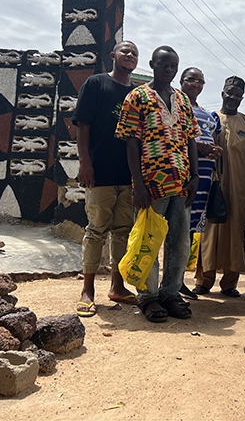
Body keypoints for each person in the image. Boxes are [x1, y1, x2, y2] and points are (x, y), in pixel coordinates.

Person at [115, 45, 200, 323]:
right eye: (164, 64)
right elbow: (131, 142)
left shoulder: (182, 100)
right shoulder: (137, 97)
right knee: (148, 240)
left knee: (180, 242)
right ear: (152, 65)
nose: (169, 70)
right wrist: (138, 185)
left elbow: (191, 138)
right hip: (151, 183)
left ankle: (171, 293)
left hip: (181, 182)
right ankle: (148, 296)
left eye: (174, 65)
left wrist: (195, 176)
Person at [72, 41, 140, 317]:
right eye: (125, 51)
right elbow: (83, 126)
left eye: (134, 53)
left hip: (128, 174)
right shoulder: (96, 84)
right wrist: (85, 162)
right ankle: (87, 290)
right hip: (99, 171)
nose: (130, 55)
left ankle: (117, 286)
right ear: (113, 56)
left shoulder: (137, 93)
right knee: (96, 230)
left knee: (123, 231)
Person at [195, 76, 245, 297]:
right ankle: (204, 280)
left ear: (242, 98)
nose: (233, 97)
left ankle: (230, 283)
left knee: (235, 231)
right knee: (209, 231)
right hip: (213, 184)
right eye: (230, 93)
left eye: (238, 95)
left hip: (239, 187)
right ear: (223, 93)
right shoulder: (211, 118)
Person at [178, 67, 223, 299]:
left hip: (204, 179)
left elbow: (211, 139)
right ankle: (170, 282)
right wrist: (200, 147)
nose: (196, 84)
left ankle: (178, 281)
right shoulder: (174, 106)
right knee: (176, 227)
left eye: (200, 81)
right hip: (182, 176)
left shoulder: (208, 114)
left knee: (188, 229)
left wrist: (212, 150)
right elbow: (174, 138)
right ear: (181, 81)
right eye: (191, 79)